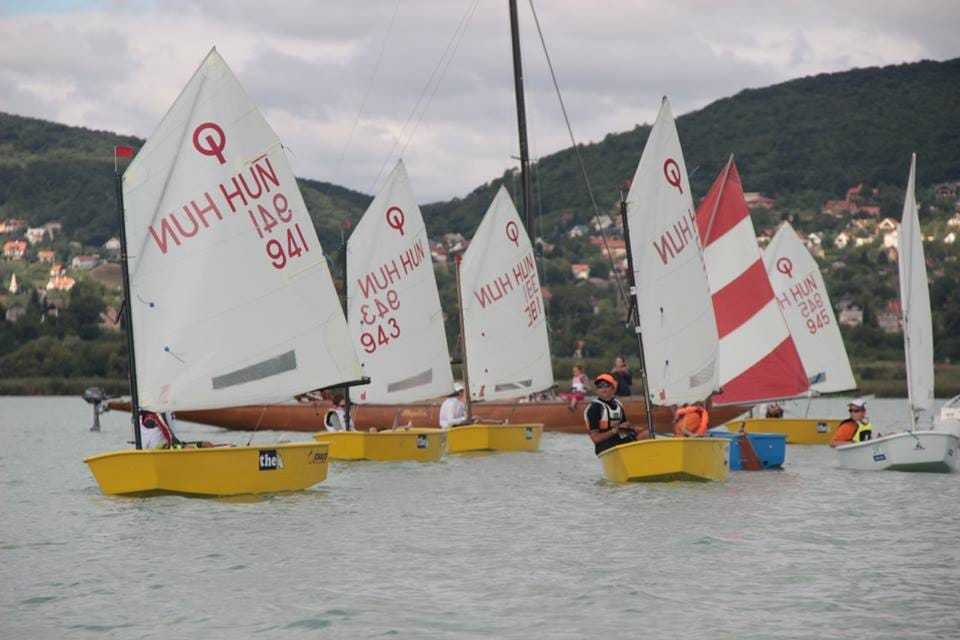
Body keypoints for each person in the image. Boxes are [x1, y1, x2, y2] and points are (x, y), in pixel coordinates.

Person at [584, 373, 649, 455]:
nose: (603, 389)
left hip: (619, 441)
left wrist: (633, 429)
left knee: (647, 434)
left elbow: (624, 428)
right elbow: (595, 439)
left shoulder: (618, 404)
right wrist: (614, 431)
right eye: (600, 386)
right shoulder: (594, 408)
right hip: (605, 447)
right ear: (597, 390)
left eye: (606, 386)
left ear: (613, 388)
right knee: (644, 436)